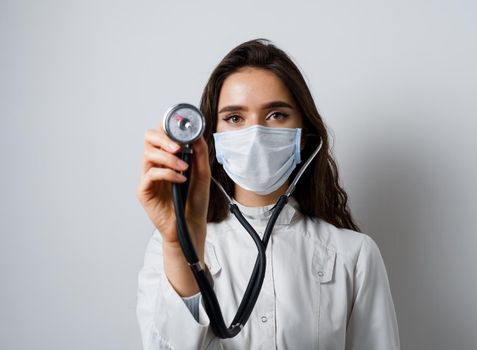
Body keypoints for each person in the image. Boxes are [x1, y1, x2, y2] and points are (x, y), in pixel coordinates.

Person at [136, 39, 400, 350]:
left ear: (303, 136)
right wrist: (181, 246)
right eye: (235, 118)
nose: (255, 133)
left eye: (276, 115)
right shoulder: (167, 248)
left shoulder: (354, 256)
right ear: (213, 140)